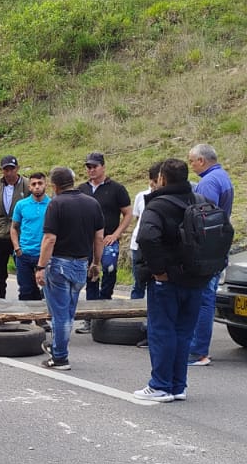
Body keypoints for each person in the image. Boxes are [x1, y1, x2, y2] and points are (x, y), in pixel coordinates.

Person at [131, 158, 211, 402]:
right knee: (184, 332)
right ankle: (178, 385)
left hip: (167, 280)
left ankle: (160, 385)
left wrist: (158, 271)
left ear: (162, 179)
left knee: (162, 331)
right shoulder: (202, 201)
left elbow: (146, 237)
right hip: (196, 277)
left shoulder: (157, 205)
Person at [35, 167, 104, 371]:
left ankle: (60, 356)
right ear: (73, 182)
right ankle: (59, 346)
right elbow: (99, 237)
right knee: (69, 311)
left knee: (59, 313)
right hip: (81, 263)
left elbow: (49, 239)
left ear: (54, 186)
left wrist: (40, 266)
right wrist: (96, 263)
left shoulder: (56, 204)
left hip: (59, 263)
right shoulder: (92, 203)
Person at [186, 143, 234, 366]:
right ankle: (198, 348)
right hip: (217, 247)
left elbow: (204, 219)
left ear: (201, 161)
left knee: (204, 298)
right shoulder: (222, 177)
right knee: (206, 296)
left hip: (208, 249)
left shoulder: (208, 183)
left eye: (192, 161)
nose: (191, 165)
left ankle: (197, 350)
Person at [79, 152, 132, 315]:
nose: (91, 170)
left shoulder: (117, 188)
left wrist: (116, 235)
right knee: (90, 276)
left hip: (108, 239)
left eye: (94, 166)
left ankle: (105, 305)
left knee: (109, 270)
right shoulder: (81, 189)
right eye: (88, 167)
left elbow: (128, 214)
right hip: (86, 241)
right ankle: (90, 314)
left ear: (103, 167)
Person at [0, 157, 31, 301]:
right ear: (1, 170)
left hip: (20, 235)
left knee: (25, 275)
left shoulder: (27, 185)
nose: (9, 172)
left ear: (17, 168)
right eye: (6, 169)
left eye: (12, 169)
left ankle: (27, 308)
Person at [9, 172, 50, 302]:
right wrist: (17, 248)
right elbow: (14, 227)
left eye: (40, 183)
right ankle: (25, 319)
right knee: (25, 289)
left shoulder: (53, 204)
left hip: (44, 255)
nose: (37, 186)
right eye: (34, 184)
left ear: (46, 185)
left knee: (47, 290)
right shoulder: (21, 205)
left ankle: (42, 319)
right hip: (24, 254)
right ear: (29, 187)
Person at [127, 163, 163, 301]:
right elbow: (138, 219)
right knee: (139, 282)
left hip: (157, 244)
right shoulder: (141, 196)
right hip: (139, 244)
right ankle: (134, 315)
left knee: (156, 283)